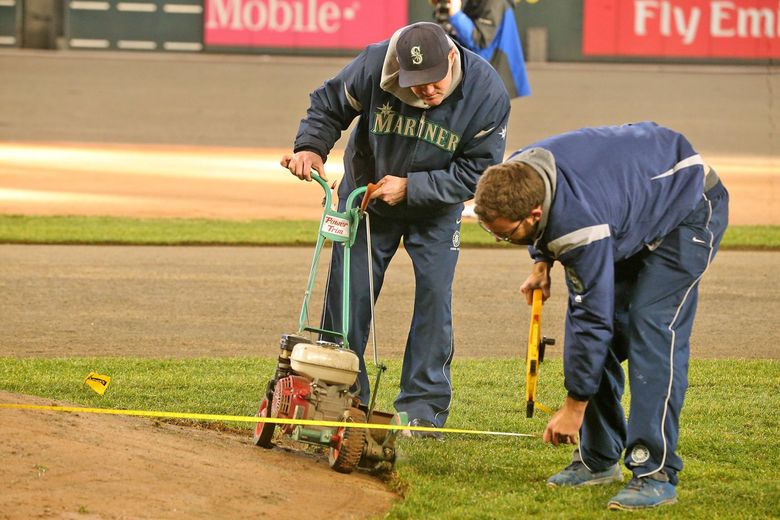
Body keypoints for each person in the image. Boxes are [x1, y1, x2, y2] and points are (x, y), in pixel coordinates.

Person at [473, 122, 728, 510]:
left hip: (688, 207)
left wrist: (574, 407)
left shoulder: (579, 225)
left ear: (535, 212)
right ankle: (598, 459)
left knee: (650, 326)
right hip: (630, 209)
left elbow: (590, 317)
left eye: (506, 235)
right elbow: (544, 233)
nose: (501, 240)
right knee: (603, 333)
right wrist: (542, 260)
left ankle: (654, 472)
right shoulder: (520, 172)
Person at [281, 22, 511, 437]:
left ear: (453, 59)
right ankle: (343, 397)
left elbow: (479, 172)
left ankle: (421, 410)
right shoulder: (374, 64)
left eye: (434, 80)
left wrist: (414, 188)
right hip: (365, 199)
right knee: (347, 296)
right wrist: (310, 146)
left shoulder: (486, 91)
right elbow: (329, 103)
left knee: (434, 299)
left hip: (436, 209)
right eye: (416, 82)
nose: (426, 90)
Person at [431, 0, 531, 99]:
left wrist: (456, 14)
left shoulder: (493, 3)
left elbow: (479, 40)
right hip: (478, 74)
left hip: (489, 77)